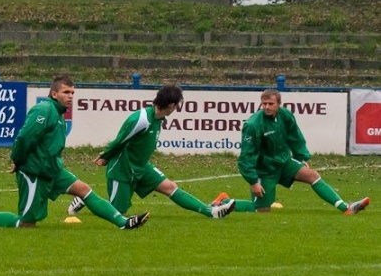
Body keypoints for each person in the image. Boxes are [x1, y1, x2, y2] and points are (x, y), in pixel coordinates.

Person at [0, 75, 149, 230]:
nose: (70, 96)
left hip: (53, 169)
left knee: (84, 190)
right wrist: (18, 161)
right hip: (34, 171)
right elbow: (24, 138)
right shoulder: (44, 109)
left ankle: (124, 223)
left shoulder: (59, 114)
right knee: (26, 224)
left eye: (72, 93)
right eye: (66, 92)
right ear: (54, 94)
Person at [68, 84, 236, 220]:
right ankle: (84, 198)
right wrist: (104, 157)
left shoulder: (158, 118)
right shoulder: (141, 119)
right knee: (118, 212)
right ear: (171, 105)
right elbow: (120, 140)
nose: (177, 108)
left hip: (141, 166)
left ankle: (211, 212)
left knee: (170, 187)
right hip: (123, 169)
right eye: (177, 104)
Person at [210, 88, 369, 214]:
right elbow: (247, 156)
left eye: (270, 104)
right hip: (265, 170)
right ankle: (223, 203)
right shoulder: (253, 125)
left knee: (312, 176)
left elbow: (295, 136)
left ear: (279, 103)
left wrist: (301, 156)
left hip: (284, 162)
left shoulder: (285, 115)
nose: (267, 107)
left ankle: (346, 208)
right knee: (261, 210)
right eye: (264, 103)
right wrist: (253, 181)